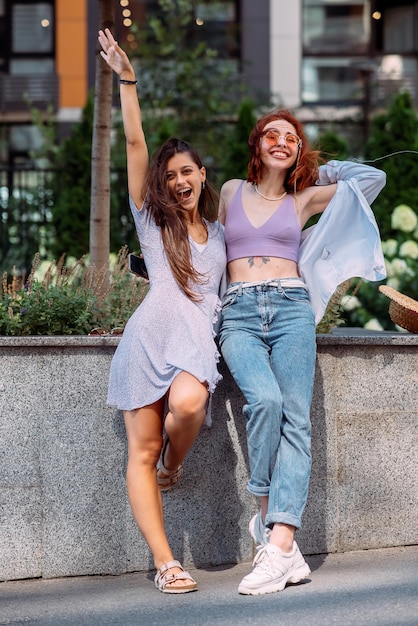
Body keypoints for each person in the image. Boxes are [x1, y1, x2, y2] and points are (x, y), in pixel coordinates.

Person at [218, 109, 386, 595]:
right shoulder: (231, 190)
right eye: (272, 134)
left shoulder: (304, 198)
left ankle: (280, 542)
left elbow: (370, 179)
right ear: (257, 145)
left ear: (297, 152)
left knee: (296, 417)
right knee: (264, 402)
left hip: (291, 307)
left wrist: (321, 168)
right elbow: (208, 245)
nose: (281, 142)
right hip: (240, 313)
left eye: (292, 139)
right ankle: (271, 526)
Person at [98, 28, 226, 594]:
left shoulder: (223, 233)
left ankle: (175, 467)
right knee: (141, 451)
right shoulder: (154, 225)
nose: (179, 182)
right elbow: (134, 145)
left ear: (203, 175)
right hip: (147, 341)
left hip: (193, 345)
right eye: (170, 176)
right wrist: (128, 79)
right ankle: (166, 563)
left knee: (191, 403)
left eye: (187, 173)